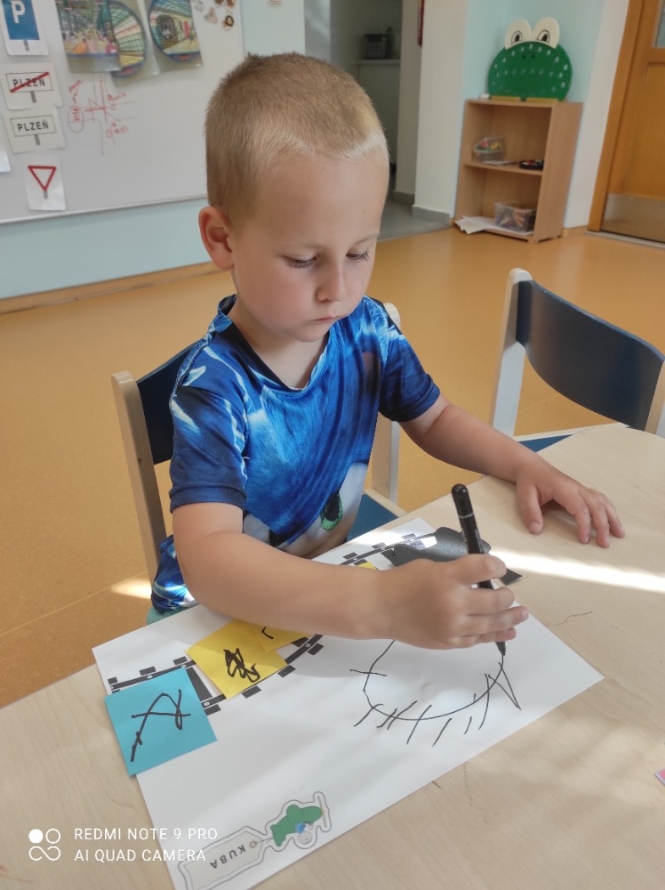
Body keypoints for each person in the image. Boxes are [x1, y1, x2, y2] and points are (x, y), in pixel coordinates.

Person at [152, 53, 623, 649]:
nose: (338, 289)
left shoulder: (367, 331)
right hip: (214, 619)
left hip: (328, 583)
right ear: (223, 239)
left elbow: (438, 420)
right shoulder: (213, 388)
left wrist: (529, 465)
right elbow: (210, 559)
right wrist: (380, 605)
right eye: (303, 259)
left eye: (360, 252)